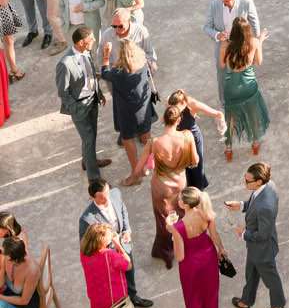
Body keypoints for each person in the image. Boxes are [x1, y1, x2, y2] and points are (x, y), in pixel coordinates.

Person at [79, 176, 154, 308]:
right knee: (113, 280)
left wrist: (127, 230)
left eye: (108, 193)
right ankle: (118, 304)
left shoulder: (115, 194)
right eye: (102, 197)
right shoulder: (87, 219)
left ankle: (133, 296)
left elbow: (123, 210)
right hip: (107, 254)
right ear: (92, 198)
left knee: (129, 272)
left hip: (124, 243)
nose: (107, 199)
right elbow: (86, 246)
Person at [139, 100, 199, 264]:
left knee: (163, 220)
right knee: (181, 215)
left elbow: (139, 167)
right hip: (180, 183)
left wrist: (136, 175)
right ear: (179, 120)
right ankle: (182, 244)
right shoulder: (187, 136)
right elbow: (195, 160)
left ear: (163, 120)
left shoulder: (155, 142)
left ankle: (164, 251)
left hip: (160, 187)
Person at [227, 159, 285, 308]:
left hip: (263, 249)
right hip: (255, 248)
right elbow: (254, 204)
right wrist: (241, 205)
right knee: (251, 273)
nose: (244, 182)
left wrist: (243, 233)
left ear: (259, 181)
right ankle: (246, 301)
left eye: (247, 181)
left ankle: (277, 307)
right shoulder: (268, 186)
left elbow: (263, 235)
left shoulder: (265, 206)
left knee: (271, 279)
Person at [173, 186, 226, 308]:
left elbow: (179, 256)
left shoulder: (178, 227)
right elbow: (215, 235)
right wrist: (221, 249)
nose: (178, 200)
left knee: (193, 300)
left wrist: (171, 230)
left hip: (190, 264)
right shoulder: (207, 214)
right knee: (211, 295)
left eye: (180, 199)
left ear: (185, 204)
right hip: (208, 257)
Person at [55, 26, 109, 177]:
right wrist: (75, 108)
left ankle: (88, 161)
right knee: (89, 139)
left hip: (92, 100)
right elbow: (62, 92)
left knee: (92, 136)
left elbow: (91, 74)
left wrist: (99, 93)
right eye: (90, 38)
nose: (94, 40)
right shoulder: (65, 64)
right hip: (79, 106)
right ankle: (94, 179)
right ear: (80, 42)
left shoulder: (86, 52)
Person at [203, 0, 263, 118]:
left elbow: (255, 24)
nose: (228, 4)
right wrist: (218, 35)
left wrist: (256, 43)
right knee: (222, 74)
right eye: (225, 2)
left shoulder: (247, 3)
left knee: (243, 74)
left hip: (242, 45)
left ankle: (245, 102)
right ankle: (224, 105)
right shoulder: (214, 5)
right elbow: (206, 27)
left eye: (230, 1)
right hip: (224, 44)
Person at [221, 16, 270, 159]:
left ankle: (229, 148)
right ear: (248, 31)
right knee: (253, 115)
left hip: (231, 88)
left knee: (229, 117)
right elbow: (259, 62)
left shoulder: (226, 46)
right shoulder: (253, 42)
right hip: (248, 86)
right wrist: (260, 41)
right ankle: (255, 144)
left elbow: (222, 65)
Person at [108, 37, 155, 184]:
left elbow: (103, 72)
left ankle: (136, 174)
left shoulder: (118, 73)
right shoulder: (143, 64)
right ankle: (148, 166)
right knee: (147, 135)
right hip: (144, 109)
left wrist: (105, 57)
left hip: (127, 113)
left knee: (127, 140)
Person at [166, 85, 224, 193]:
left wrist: (222, 123)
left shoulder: (192, 104)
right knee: (184, 167)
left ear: (184, 103)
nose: (174, 111)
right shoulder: (170, 104)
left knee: (196, 166)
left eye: (177, 109)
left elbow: (217, 113)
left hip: (193, 138)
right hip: (179, 139)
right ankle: (189, 188)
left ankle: (198, 192)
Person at [0, 235, 40, 308]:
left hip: (25, 305)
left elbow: (24, 301)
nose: (1, 252)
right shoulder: (6, 256)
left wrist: (1, 298)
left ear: (13, 258)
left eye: (4, 253)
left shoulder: (32, 270)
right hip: (8, 293)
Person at [0, 0, 22, 83]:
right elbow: (3, 2)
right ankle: (14, 71)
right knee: (8, 42)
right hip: (2, 14)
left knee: (7, 42)